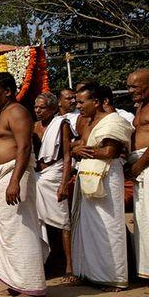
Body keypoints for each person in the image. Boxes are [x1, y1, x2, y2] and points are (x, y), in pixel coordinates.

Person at [0, 72, 47, 296]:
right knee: (8, 234)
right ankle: (15, 282)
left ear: (7, 92)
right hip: (2, 179)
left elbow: (24, 147)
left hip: (14, 178)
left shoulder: (17, 111)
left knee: (21, 231)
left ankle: (31, 285)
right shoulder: (3, 114)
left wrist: (14, 181)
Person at [70, 82, 133, 292]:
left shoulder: (114, 121)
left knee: (109, 227)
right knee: (87, 228)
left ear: (96, 102)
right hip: (87, 178)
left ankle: (114, 277)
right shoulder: (86, 122)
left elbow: (109, 152)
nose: (77, 105)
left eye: (81, 101)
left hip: (106, 178)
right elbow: (77, 146)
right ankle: (89, 273)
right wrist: (77, 150)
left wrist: (81, 150)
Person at [32, 92, 74, 281]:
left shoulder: (61, 124)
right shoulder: (33, 127)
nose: (38, 111)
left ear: (52, 108)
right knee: (38, 220)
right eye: (36, 107)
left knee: (62, 221)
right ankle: (43, 264)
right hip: (38, 176)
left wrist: (64, 183)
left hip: (55, 173)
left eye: (42, 108)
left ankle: (69, 267)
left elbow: (67, 155)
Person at [125, 69, 149, 279]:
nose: (130, 90)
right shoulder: (140, 107)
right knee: (142, 220)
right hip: (139, 169)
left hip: (145, 167)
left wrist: (139, 164)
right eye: (129, 86)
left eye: (135, 86)